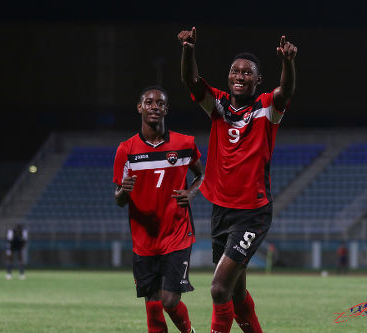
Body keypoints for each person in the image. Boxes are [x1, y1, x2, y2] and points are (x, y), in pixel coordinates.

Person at [178, 27, 297, 333]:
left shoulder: (266, 109)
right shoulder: (217, 106)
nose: (240, 76)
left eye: (248, 73)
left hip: (252, 213)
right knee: (237, 292)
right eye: (235, 71)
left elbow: (286, 91)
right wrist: (188, 50)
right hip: (221, 210)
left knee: (219, 289)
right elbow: (191, 81)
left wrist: (288, 62)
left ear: (258, 81)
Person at [113, 86, 204, 333]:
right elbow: (119, 200)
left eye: (160, 103)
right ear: (139, 108)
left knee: (170, 300)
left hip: (177, 233)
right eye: (149, 102)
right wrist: (124, 192)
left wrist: (191, 193)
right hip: (144, 240)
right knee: (153, 307)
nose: (154, 106)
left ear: (166, 109)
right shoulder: (126, 150)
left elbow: (202, 175)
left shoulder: (185, 144)